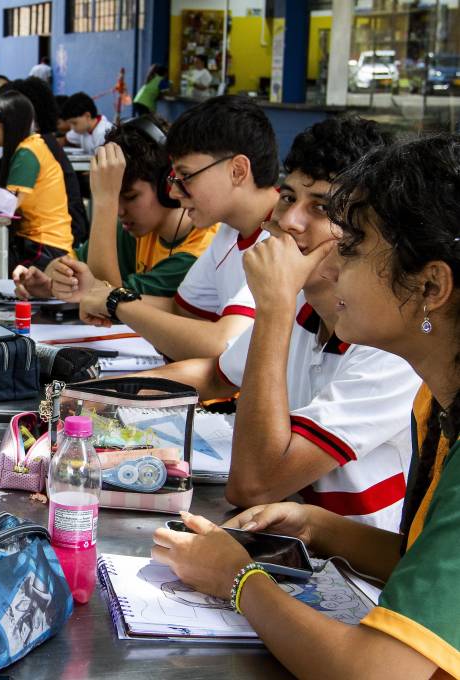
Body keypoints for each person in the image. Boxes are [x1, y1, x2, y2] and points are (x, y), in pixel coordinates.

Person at [152, 134, 460, 679]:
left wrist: (239, 579)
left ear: (430, 285)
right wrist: (319, 526)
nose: (336, 262)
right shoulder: (434, 401)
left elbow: (376, 673)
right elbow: (427, 567)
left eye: (355, 246)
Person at [141, 116, 417, 529]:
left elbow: (253, 486)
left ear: (367, 230)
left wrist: (274, 303)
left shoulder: (389, 349)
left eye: (321, 208)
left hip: (353, 578)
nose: (289, 221)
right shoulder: (307, 307)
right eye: (288, 198)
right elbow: (215, 374)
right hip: (286, 541)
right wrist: (92, 400)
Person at [78, 95, 280, 361]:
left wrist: (115, 301)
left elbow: (222, 344)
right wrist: (108, 298)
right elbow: (181, 309)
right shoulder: (230, 233)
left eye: (186, 177)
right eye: (174, 178)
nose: (174, 192)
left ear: (238, 171)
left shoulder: (282, 240)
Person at [15, 114, 215, 302]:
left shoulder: (196, 256)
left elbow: (106, 300)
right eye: (114, 199)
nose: (119, 211)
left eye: (130, 197)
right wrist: (52, 283)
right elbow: (67, 264)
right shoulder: (137, 228)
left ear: (168, 184)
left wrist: (105, 201)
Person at [0, 90, 75, 269]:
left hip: (45, 249)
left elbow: (6, 206)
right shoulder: (29, 147)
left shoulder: (27, 153)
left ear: (7, 122)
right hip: (36, 244)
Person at [0, 77, 88, 244]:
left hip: (52, 245)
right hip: (58, 238)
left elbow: (6, 198)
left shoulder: (33, 149)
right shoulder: (42, 143)